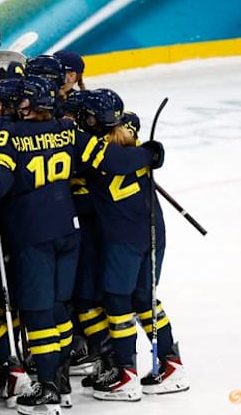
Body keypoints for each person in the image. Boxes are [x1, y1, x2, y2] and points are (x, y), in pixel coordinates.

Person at [0, 76, 164, 415]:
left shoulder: (10, 135)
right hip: (67, 231)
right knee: (61, 310)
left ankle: (46, 387)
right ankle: (61, 387)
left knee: (41, 313)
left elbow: (0, 178)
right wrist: (148, 154)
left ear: (28, 105)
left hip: (33, 235)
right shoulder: (66, 129)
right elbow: (113, 161)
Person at [74, 90, 188, 401]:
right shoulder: (130, 137)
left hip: (123, 237)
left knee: (116, 300)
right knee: (144, 298)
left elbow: (107, 162)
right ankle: (170, 363)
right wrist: (152, 153)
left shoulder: (92, 150)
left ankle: (125, 373)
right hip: (152, 231)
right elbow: (140, 154)